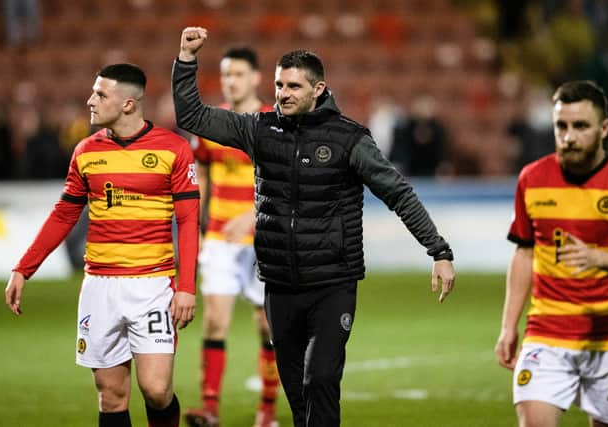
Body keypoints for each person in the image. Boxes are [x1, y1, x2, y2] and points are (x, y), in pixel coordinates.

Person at [172, 27, 456, 427]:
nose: (282, 93)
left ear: (318, 89)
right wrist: (186, 59)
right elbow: (192, 116)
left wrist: (439, 251)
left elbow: (398, 193)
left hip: (332, 284)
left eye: (293, 86)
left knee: (320, 378)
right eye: (277, 84)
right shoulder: (259, 129)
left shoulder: (349, 139)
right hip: (280, 284)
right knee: (298, 396)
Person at [5, 63, 200, 427]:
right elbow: (64, 214)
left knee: (156, 390)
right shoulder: (85, 151)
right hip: (100, 286)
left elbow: (188, 221)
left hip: (153, 285)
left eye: (100, 94)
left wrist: (186, 287)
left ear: (128, 104)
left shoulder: (173, 149)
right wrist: (23, 268)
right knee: (111, 397)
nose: (90, 100)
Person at [495, 80, 608, 427]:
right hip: (547, 332)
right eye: (561, 126)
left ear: (604, 128)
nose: (568, 136)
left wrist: (601, 259)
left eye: (580, 126)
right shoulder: (532, 179)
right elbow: (524, 253)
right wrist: (509, 326)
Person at [183, 47, 280, 427]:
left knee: (267, 326)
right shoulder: (212, 124)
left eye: (238, 74)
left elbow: (285, 183)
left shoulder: (274, 122)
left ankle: (267, 411)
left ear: (256, 78)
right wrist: (198, 228)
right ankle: (209, 409)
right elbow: (202, 178)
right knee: (214, 323)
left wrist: (254, 215)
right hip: (221, 239)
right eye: (225, 74)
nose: (230, 80)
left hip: (263, 239)